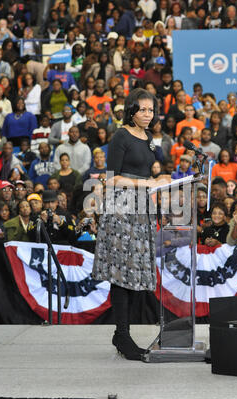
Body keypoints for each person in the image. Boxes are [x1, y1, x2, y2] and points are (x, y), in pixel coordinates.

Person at [92, 88, 170, 361]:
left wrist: (159, 182)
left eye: (151, 110)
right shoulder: (120, 136)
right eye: (143, 110)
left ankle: (121, 333)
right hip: (121, 210)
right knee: (121, 273)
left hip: (143, 209)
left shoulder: (148, 137)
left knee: (136, 272)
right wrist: (146, 183)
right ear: (131, 110)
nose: (148, 115)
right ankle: (123, 335)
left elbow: (145, 172)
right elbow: (111, 178)